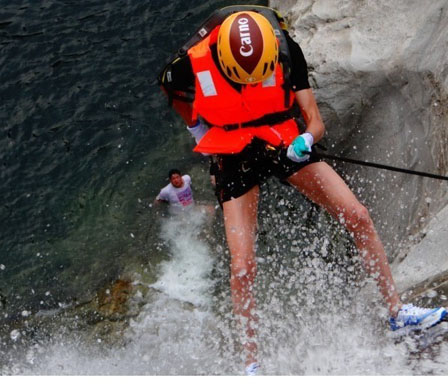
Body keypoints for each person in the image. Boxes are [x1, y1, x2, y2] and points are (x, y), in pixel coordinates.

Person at [158, 6, 447, 374]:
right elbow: (171, 87)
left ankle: (397, 312)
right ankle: (251, 366)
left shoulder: (283, 47)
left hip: (281, 139)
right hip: (232, 151)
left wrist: (307, 138)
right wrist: (198, 132)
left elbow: (314, 119)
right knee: (243, 265)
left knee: (357, 215)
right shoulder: (190, 62)